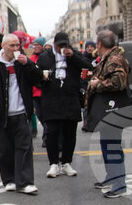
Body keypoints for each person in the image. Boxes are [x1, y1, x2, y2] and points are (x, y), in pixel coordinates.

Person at [0, 33, 42, 195]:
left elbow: (38, 79)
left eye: (17, 45)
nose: (15, 49)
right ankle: (9, 179)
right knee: (4, 150)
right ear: (3, 46)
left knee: (24, 148)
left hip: (22, 113)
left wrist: (27, 63)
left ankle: (26, 182)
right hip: (2, 116)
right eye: (11, 46)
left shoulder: (23, 63)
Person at [37, 33, 92, 178]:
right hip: (51, 99)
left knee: (70, 133)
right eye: (60, 45)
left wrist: (72, 56)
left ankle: (67, 162)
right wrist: (43, 78)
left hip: (70, 99)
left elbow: (88, 65)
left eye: (65, 45)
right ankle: (53, 163)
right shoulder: (45, 56)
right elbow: (36, 78)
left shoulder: (75, 54)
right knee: (52, 133)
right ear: (54, 44)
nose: (62, 47)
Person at [86, 30, 131, 198]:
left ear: (99, 44)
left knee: (112, 146)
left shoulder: (114, 59)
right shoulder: (110, 58)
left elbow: (118, 82)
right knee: (107, 144)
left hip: (113, 109)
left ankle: (120, 184)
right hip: (108, 109)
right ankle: (112, 176)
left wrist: (97, 84)